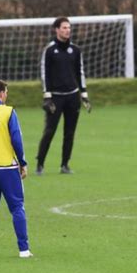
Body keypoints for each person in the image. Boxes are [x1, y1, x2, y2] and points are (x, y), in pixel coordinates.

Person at [36, 16, 92, 175]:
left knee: (70, 132)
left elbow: (80, 72)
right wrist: (47, 96)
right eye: (64, 27)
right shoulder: (49, 50)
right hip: (55, 97)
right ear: (57, 29)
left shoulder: (75, 50)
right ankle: (40, 163)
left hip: (72, 96)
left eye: (69, 27)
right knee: (49, 131)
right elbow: (44, 73)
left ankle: (64, 165)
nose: (67, 30)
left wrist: (84, 94)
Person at [0, 79, 33, 258]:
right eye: (6, 92)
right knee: (17, 208)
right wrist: (23, 163)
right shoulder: (8, 112)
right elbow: (16, 139)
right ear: (1, 94)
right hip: (8, 169)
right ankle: (23, 250)